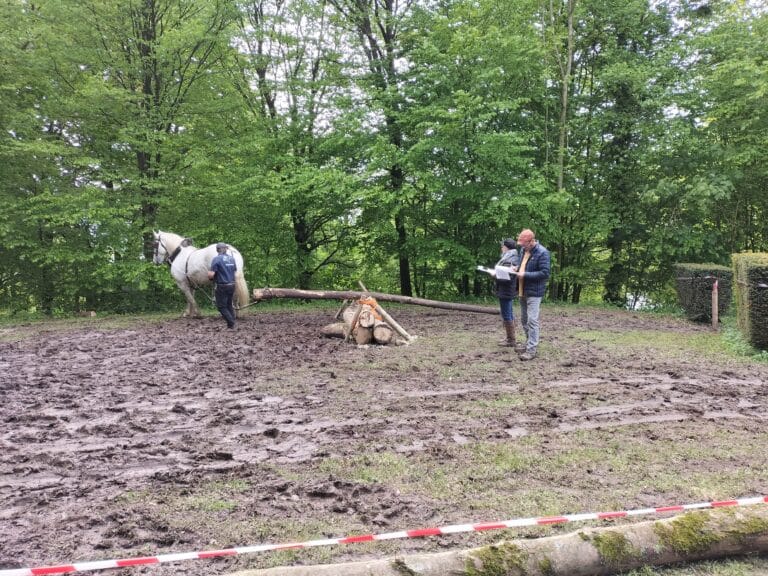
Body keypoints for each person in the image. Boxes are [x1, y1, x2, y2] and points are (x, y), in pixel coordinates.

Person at [515, 229, 550, 360]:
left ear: (531, 241)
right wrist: (516, 269)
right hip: (522, 289)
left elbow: (545, 273)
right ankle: (528, 343)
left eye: (523, 243)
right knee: (524, 319)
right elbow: (522, 266)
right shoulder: (523, 250)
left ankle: (532, 350)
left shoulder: (543, 253)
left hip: (534, 292)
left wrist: (525, 274)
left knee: (532, 320)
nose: (521, 246)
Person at [494, 238, 520, 347]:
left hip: (506, 289)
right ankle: (510, 338)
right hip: (507, 289)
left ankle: (511, 339)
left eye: (503, 246)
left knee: (506, 314)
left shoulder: (510, 258)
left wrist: (494, 275)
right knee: (508, 312)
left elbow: (506, 276)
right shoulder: (511, 257)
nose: (501, 248)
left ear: (506, 247)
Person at [207, 242, 237, 329]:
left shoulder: (217, 259)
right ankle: (231, 325)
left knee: (221, 307)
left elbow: (211, 275)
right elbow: (234, 271)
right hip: (232, 284)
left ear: (218, 250)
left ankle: (231, 322)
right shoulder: (232, 259)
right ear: (225, 249)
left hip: (222, 286)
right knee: (228, 305)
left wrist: (209, 275)